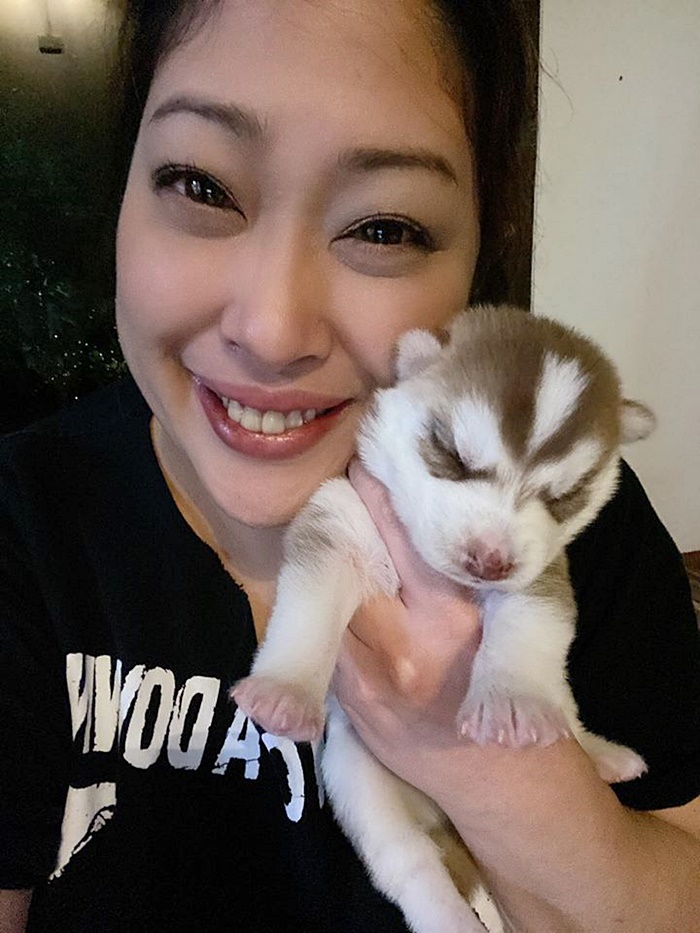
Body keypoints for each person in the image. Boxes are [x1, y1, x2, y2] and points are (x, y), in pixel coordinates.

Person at [1, 1, 698, 931]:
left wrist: (487, 765)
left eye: (384, 228)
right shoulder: (24, 526)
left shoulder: (571, 530)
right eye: (201, 185)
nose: (272, 329)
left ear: (479, 255)